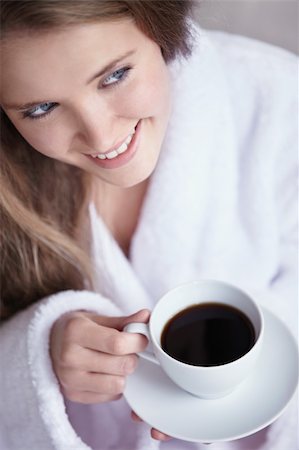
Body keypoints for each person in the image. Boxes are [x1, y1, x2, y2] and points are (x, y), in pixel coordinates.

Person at [0, 1, 297, 449]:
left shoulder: (275, 99)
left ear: (159, 24)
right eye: (41, 108)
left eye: (115, 76)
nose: (101, 136)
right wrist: (38, 355)